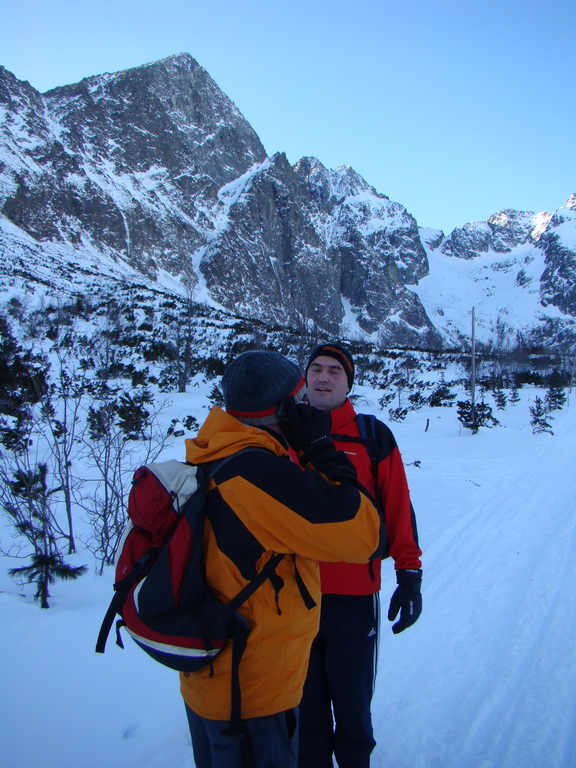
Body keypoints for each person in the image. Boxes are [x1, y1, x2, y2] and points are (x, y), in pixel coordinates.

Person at [180, 350, 382, 768]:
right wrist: (320, 449)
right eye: (299, 397)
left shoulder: (213, 449)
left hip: (212, 680)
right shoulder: (260, 475)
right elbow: (362, 534)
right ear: (285, 408)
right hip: (251, 693)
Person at [298, 343, 423, 768]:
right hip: (294, 596)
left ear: (348, 383)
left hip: (354, 598)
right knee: (303, 712)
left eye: (335, 371)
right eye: (316, 369)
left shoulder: (371, 435)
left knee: (353, 708)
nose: (323, 377)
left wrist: (409, 575)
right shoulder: (281, 432)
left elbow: (399, 507)